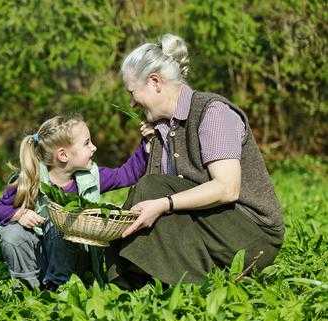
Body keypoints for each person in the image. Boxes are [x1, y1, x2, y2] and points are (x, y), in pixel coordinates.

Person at [106, 33, 285, 289]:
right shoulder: (159, 130)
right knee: (146, 193)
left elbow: (227, 188)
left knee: (152, 190)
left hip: (253, 235)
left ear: (155, 82)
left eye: (133, 93)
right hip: (209, 228)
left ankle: (192, 284)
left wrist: (164, 203)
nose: (132, 102)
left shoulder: (213, 113)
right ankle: (130, 281)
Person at [0, 113, 149, 290]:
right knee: (11, 234)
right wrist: (19, 214)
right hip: (39, 258)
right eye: (87, 143)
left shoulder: (91, 178)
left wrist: (146, 145)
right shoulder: (30, 180)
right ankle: (27, 288)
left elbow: (126, 175)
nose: (94, 147)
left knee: (61, 224)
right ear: (63, 155)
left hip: (72, 262)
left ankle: (58, 287)